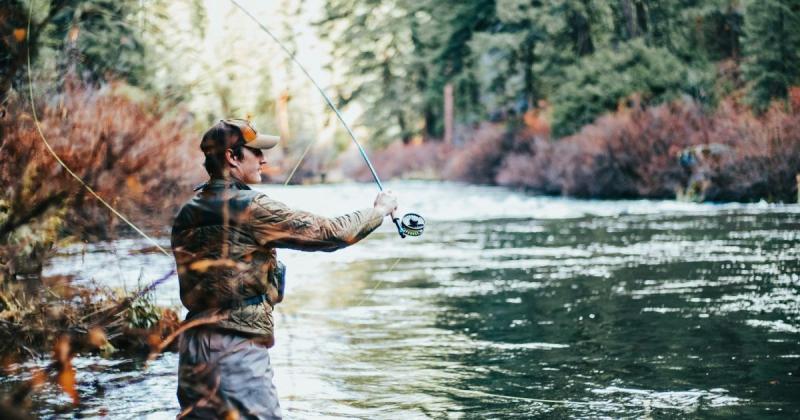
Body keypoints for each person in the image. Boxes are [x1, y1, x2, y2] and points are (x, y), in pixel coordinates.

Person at [171, 118, 397, 419]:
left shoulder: (188, 211)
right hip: (235, 351)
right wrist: (378, 211)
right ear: (232, 157)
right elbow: (330, 234)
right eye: (255, 152)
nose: (264, 159)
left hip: (192, 350)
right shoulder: (251, 207)